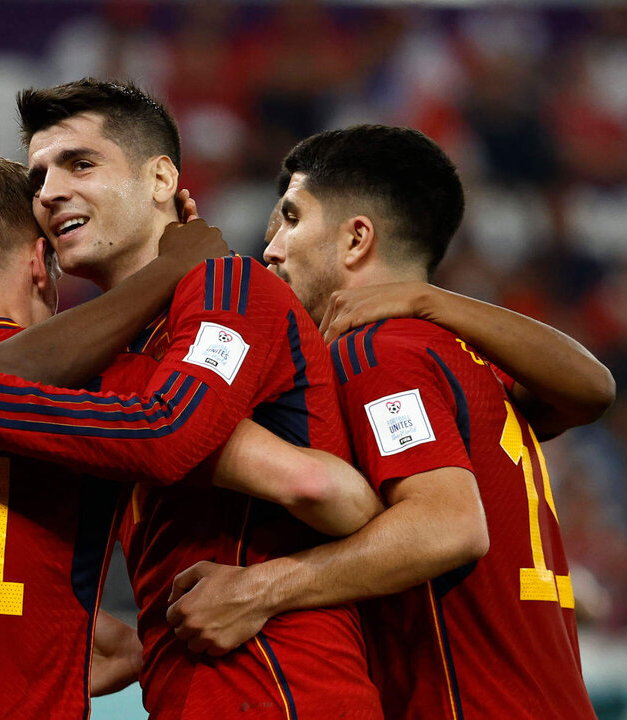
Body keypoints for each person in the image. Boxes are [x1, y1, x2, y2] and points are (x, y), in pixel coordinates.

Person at [0, 79, 385, 718]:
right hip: (200, 689)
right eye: (39, 174)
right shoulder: (115, 358)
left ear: (160, 179)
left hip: (280, 691)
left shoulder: (225, 287)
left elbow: (172, 436)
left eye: (81, 163)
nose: (50, 190)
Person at [166, 125, 612, 719]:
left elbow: (448, 528)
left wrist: (258, 590)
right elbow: (592, 390)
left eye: (293, 218)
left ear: (356, 239)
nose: (270, 246)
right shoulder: (461, 355)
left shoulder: (379, 353)